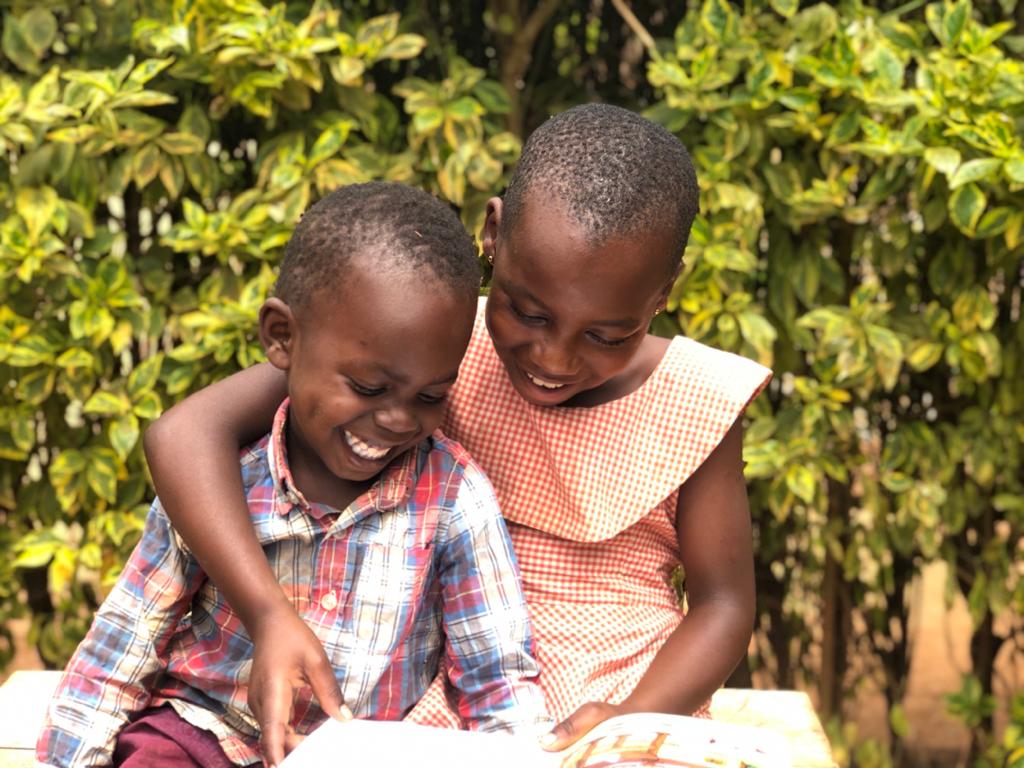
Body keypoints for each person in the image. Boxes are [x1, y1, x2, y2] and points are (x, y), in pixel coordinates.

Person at [143, 104, 772, 766]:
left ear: (663, 293)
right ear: (493, 235)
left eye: (607, 335)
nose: (553, 359)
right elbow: (184, 435)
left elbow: (724, 604)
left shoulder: (697, 397)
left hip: (633, 695)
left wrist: (634, 714)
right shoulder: (427, 349)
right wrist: (268, 611)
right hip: (452, 694)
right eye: (528, 312)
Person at [38, 183, 546, 768]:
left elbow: (497, 680)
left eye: (431, 394)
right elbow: (120, 650)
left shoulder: (455, 498)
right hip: (205, 732)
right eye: (368, 387)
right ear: (282, 337)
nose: (398, 418)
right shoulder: (223, 482)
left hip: (356, 753)